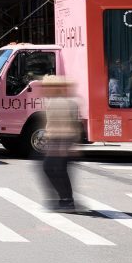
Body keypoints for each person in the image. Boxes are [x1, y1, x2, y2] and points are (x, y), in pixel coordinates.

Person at [39, 76, 79, 212]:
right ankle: (66, 200)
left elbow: (66, 125)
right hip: (58, 140)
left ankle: (67, 200)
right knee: (59, 170)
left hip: (60, 140)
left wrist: (63, 146)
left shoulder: (60, 103)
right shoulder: (54, 101)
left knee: (50, 168)